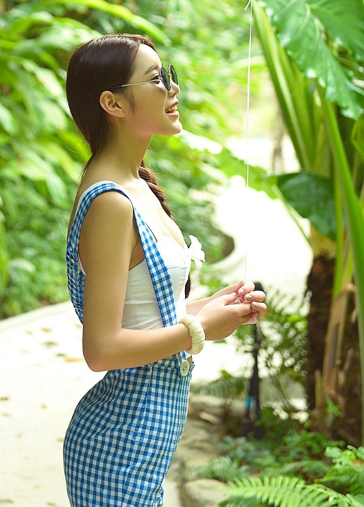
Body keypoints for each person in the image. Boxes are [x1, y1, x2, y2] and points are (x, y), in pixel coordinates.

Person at [63, 33, 266, 507]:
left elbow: (143, 312)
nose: (173, 89)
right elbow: (102, 348)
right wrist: (198, 330)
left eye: (168, 75)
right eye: (157, 79)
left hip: (140, 442)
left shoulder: (137, 186)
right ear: (113, 102)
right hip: (117, 449)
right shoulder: (110, 201)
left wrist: (213, 308)